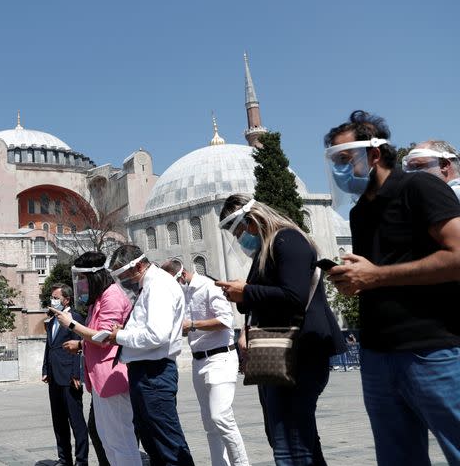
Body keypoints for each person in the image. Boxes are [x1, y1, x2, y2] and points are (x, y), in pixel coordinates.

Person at [324, 110, 460, 465]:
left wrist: (377, 276)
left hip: (432, 350)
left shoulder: (419, 187)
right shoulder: (359, 212)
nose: (339, 170)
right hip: (378, 356)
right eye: (334, 161)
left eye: (344, 159)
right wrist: (353, 281)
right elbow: (375, 273)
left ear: (373, 154)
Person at [216, 195, 345, 466]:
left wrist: (247, 291)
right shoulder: (266, 248)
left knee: (290, 441)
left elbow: (293, 296)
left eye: (238, 230)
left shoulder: (287, 240)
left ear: (252, 221)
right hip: (276, 348)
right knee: (289, 435)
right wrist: (240, 295)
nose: (239, 238)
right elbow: (264, 296)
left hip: (301, 349)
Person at [106, 244, 195, 466]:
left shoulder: (158, 286)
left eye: (123, 274)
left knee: (168, 444)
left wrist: (121, 337)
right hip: (145, 372)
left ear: (137, 266)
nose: (124, 280)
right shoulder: (149, 285)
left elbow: (157, 335)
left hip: (154, 373)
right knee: (154, 442)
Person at [53, 252, 142, 466]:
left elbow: (104, 337)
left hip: (114, 377)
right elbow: (94, 337)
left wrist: (71, 325)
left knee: (121, 441)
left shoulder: (111, 295)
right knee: (107, 439)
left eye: (82, 279)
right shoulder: (98, 299)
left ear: (94, 277)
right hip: (101, 380)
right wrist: (82, 343)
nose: (80, 285)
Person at [161, 258, 250, 466]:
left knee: (221, 417)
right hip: (198, 359)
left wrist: (192, 325)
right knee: (209, 424)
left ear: (182, 276)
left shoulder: (208, 287)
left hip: (221, 357)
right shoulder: (180, 293)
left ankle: (242, 464)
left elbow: (226, 320)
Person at [42, 283, 89, 466]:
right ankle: (64, 459)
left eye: (56, 297)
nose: (53, 300)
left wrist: (77, 374)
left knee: (76, 422)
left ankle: (81, 461)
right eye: (52, 297)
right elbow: (50, 347)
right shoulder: (53, 320)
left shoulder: (74, 318)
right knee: (59, 422)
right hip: (54, 377)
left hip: (70, 378)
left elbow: (80, 346)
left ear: (66, 300)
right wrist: (46, 369)